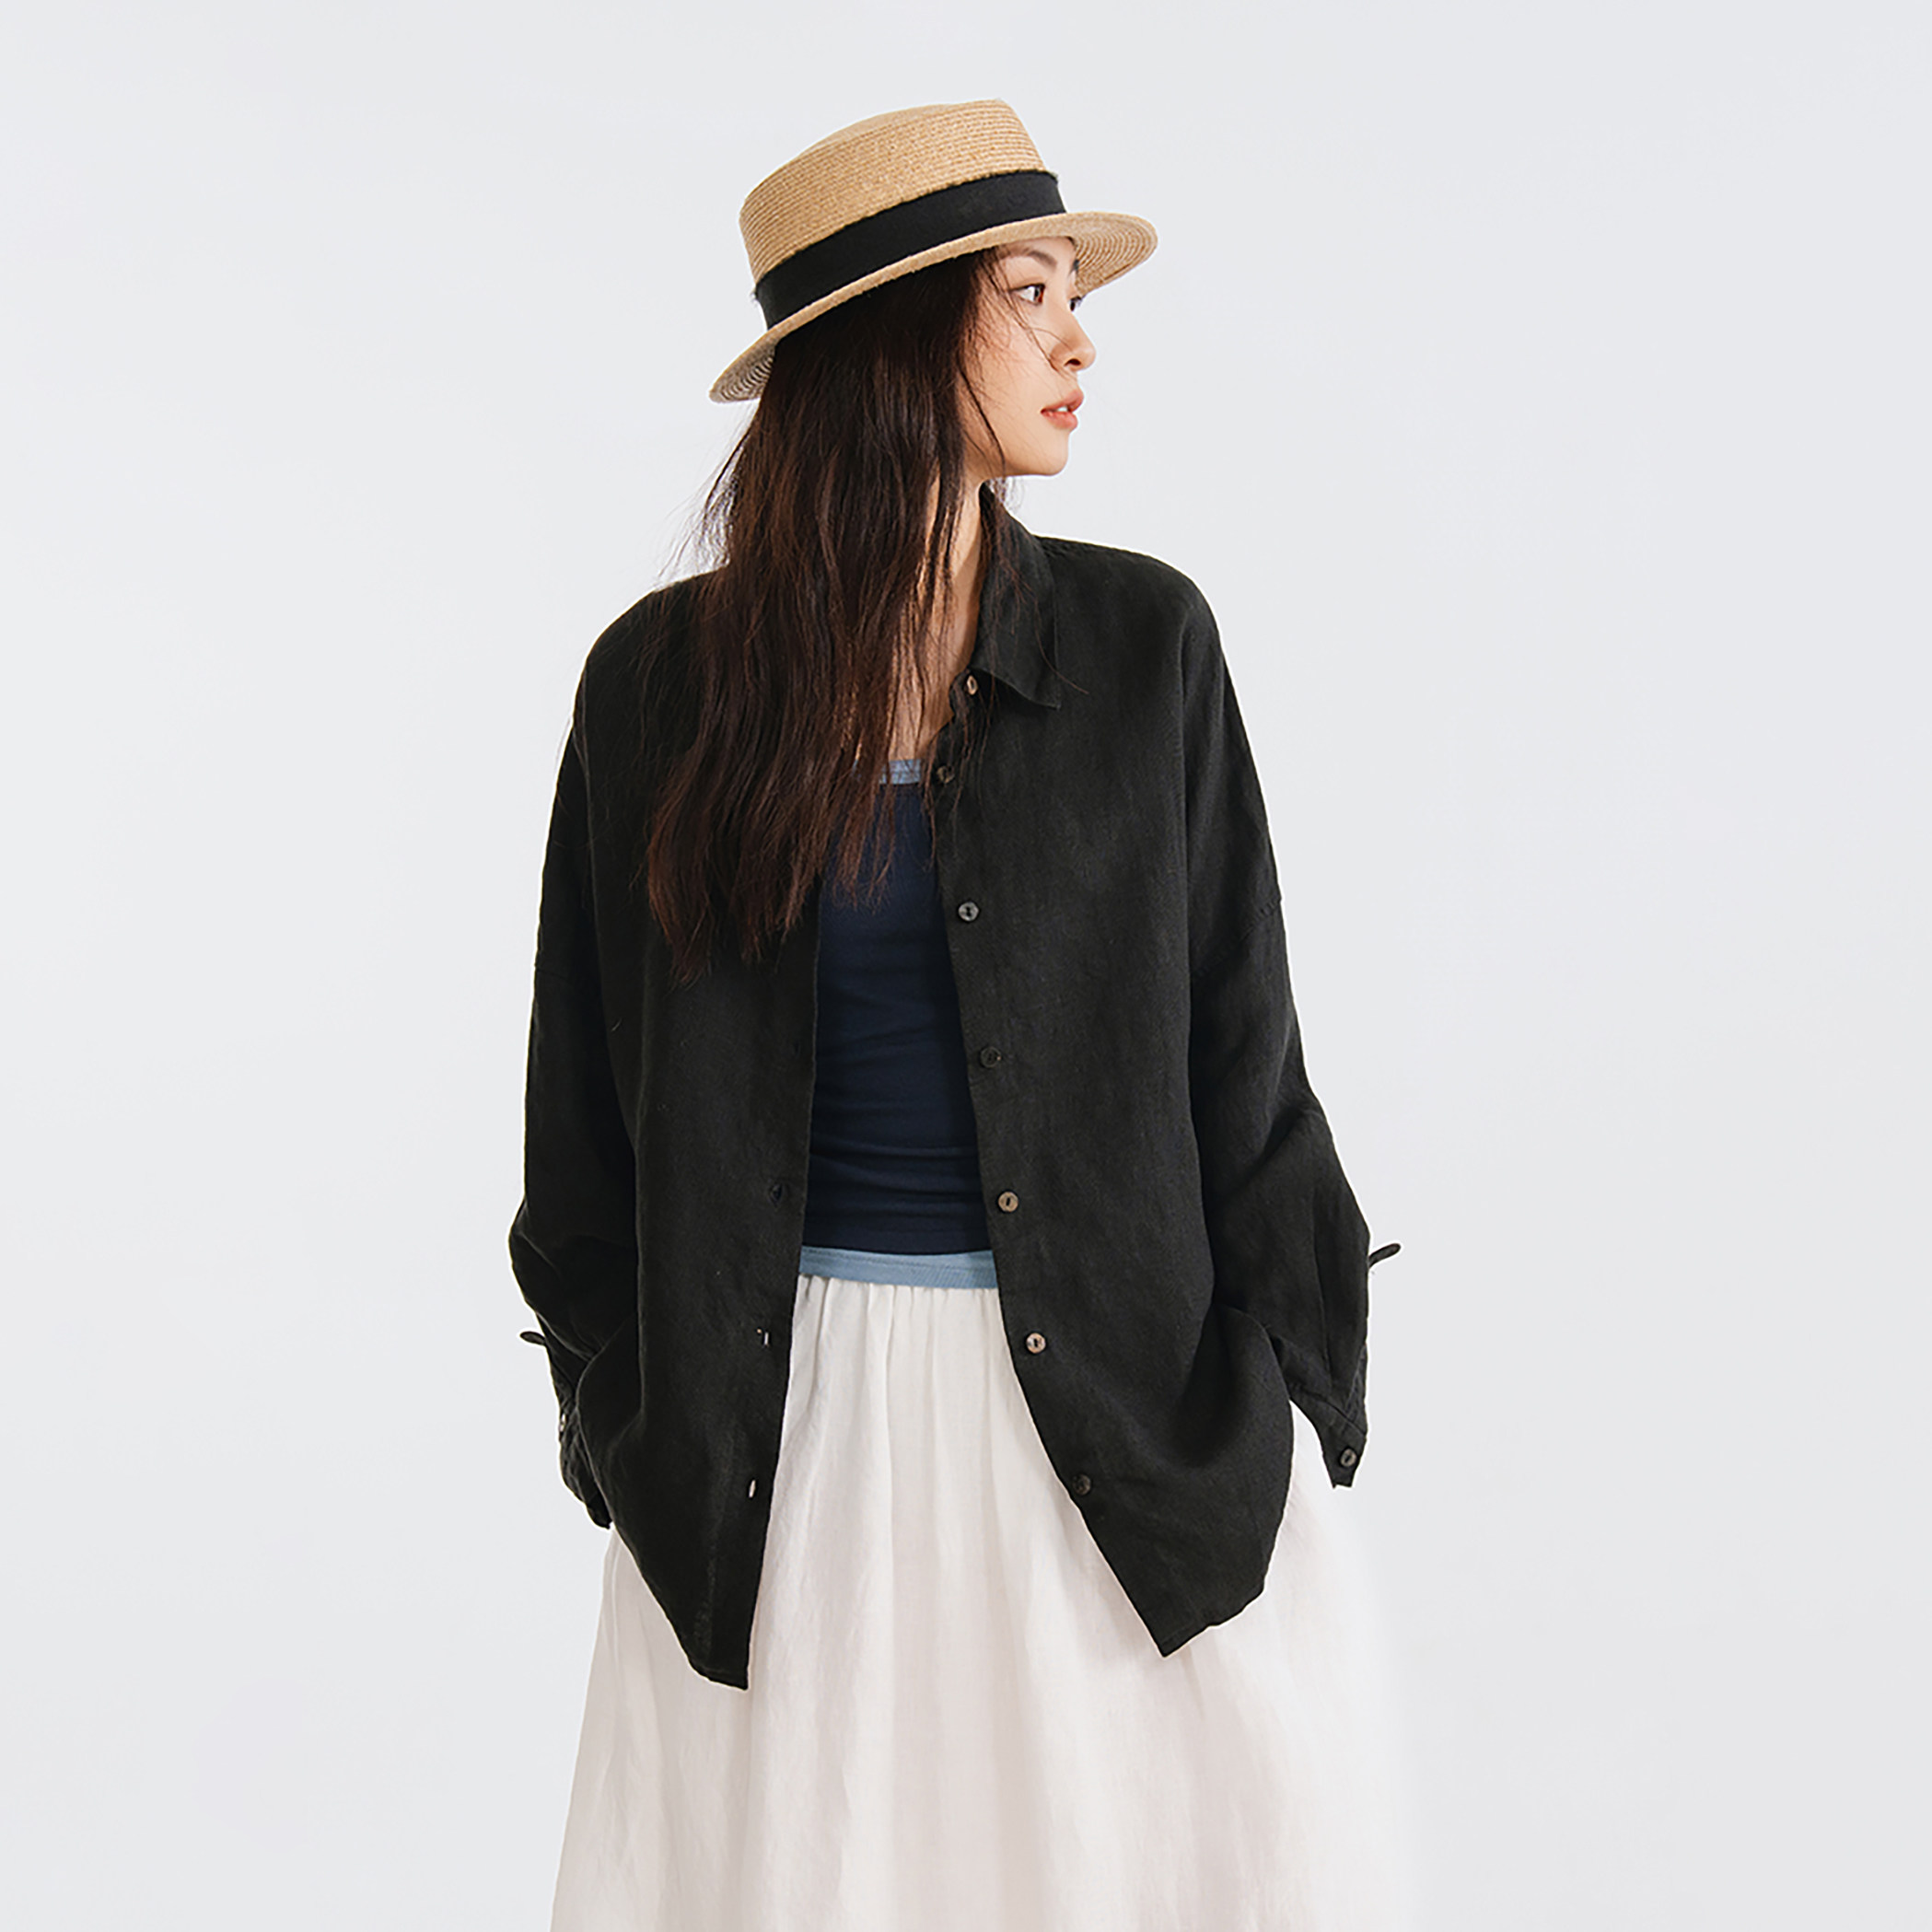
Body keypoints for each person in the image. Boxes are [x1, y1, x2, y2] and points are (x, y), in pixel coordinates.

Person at [510, 98, 1406, 1932]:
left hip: (1120, 1438)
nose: (1079, 342)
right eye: (1030, 294)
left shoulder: (1144, 651)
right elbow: (580, 1130)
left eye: (1074, 296)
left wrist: (1287, 1399)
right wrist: (624, 1419)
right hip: (776, 1455)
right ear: (895, 338)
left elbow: (1244, 1062)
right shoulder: (657, 690)